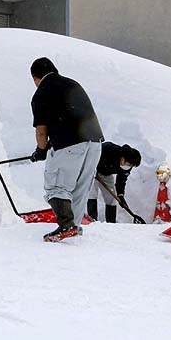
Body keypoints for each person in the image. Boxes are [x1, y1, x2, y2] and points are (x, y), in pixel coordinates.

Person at [29, 57, 104, 242]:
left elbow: (41, 131)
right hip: (95, 142)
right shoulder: (72, 84)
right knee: (81, 186)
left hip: (69, 143)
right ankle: (74, 227)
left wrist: (41, 150)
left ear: (35, 77)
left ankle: (66, 225)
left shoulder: (42, 93)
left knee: (56, 186)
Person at [88, 142, 142, 223]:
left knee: (112, 198)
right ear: (123, 159)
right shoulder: (108, 149)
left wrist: (120, 195)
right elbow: (90, 156)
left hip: (106, 174)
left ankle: (111, 222)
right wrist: (92, 169)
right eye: (130, 164)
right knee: (92, 193)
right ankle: (92, 220)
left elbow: (121, 181)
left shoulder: (127, 167)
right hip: (92, 170)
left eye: (132, 166)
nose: (130, 167)